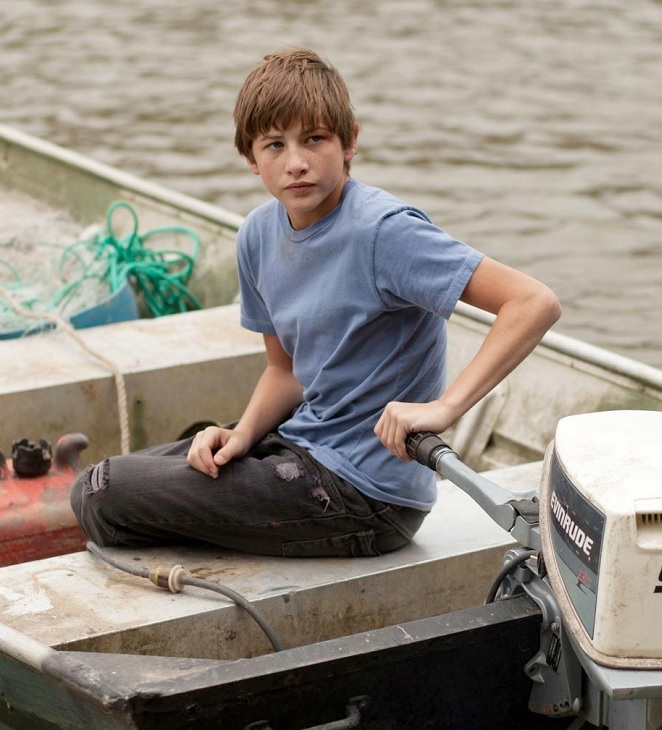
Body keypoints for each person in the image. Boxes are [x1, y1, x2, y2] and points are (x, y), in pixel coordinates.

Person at [70, 47, 561, 558]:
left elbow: (532, 302)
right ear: (250, 158)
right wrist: (243, 433)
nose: (296, 163)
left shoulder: (383, 232)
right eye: (274, 146)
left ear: (350, 141)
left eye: (315, 139)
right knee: (117, 477)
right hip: (299, 447)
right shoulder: (257, 235)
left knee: (101, 492)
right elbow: (287, 374)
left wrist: (444, 408)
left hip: (368, 498)